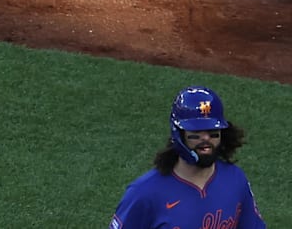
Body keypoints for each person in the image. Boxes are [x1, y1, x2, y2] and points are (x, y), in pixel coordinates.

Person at [109, 86, 266, 229]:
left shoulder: (235, 179)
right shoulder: (145, 193)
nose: (206, 139)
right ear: (179, 135)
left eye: (213, 133)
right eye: (195, 134)